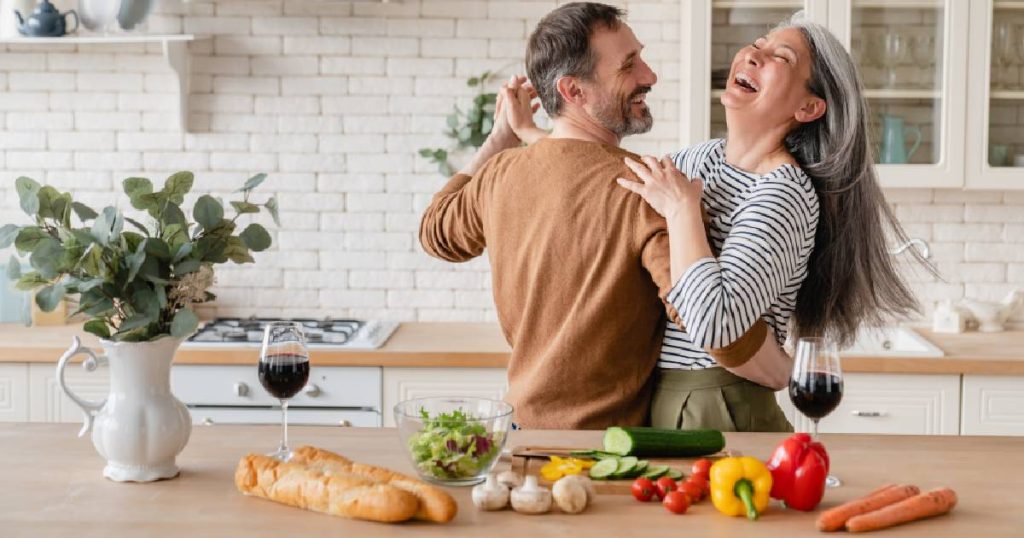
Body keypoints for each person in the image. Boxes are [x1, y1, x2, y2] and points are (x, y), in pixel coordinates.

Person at [504, 17, 923, 432]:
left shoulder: (783, 193)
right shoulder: (702, 159)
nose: (753, 55)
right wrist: (530, 131)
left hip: (721, 404)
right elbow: (613, 176)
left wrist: (684, 212)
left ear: (808, 107)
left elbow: (717, 324)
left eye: (780, 57)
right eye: (757, 44)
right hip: (663, 398)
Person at [418, 2, 767, 429]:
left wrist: (499, 139)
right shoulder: (643, 189)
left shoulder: (500, 174)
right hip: (604, 452)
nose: (650, 76)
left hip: (519, 435)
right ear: (573, 91)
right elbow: (716, 327)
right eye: (629, 66)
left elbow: (436, 232)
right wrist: (786, 368)